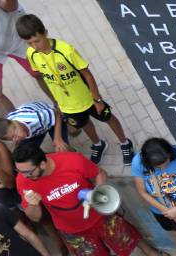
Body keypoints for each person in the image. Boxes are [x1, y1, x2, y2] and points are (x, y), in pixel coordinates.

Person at [14, 144, 172, 256]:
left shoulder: (72, 160)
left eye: (28, 172)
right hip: (71, 229)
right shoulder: (24, 181)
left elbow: (100, 174)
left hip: (101, 215)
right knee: (95, 254)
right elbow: (34, 218)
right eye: (21, 171)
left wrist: (99, 194)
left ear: (42, 163)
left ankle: (149, 250)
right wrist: (33, 204)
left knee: (125, 235)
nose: (24, 176)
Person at [15, 13, 135, 164]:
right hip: (67, 105)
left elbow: (87, 74)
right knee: (84, 125)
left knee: (109, 118)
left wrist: (97, 99)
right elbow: (43, 77)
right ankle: (98, 144)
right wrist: (56, 100)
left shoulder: (66, 50)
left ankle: (125, 143)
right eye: (29, 43)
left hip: (88, 99)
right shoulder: (31, 54)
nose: (34, 46)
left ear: (45, 33)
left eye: (36, 41)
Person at [0, 0, 31, 116]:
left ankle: (65, 111)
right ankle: (17, 128)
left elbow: (10, 6)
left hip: (13, 34)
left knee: (41, 71)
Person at [0, 100, 68, 149]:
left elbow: (56, 113)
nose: (19, 135)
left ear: (14, 121)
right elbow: (13, 135)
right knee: (24, 153)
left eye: (16, 130)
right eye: (13, 137)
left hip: (52, 118)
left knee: (62, 147)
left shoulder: (34, 118)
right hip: (36, 129)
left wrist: (57, 138)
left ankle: (74, 155)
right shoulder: (10, 126)